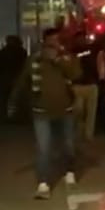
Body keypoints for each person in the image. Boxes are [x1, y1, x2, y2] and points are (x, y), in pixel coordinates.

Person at [9, 28, 82, 199]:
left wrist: (58, 60)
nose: (54, 45)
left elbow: (76, 74)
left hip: (66, 109)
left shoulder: (67, 57)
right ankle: (43, 183)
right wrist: (12, 101)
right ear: (44, 43)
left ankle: (69, 171)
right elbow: (22, 80)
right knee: (44, 147)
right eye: (51, 42)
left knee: (68, 144)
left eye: (57, 41)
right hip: (41, 111)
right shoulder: (35, 60)